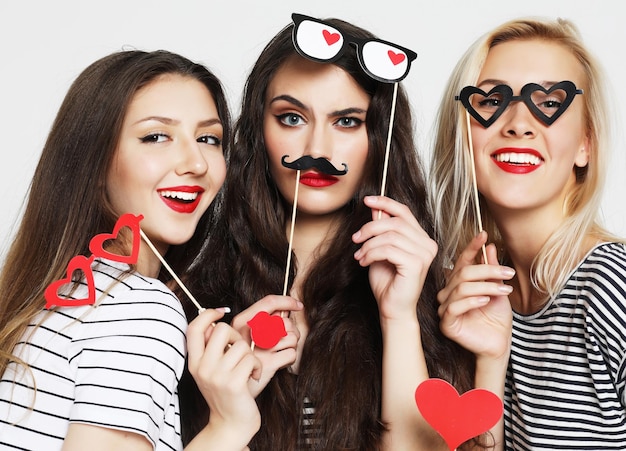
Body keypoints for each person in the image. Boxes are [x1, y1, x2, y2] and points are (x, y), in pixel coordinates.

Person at [180, 13, 483, 451]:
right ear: (257, 130)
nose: (316, 150)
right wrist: (228, 416)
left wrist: (397, 317)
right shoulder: (191, 302)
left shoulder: (440, 300)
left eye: (347, 122)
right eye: (291, 118)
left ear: (379, 137)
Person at [0, 49, 262, 450]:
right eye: (156, 136)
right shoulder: (140, 307)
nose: (196, 163)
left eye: (208, 138)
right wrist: (228, 426)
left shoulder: (62, 299)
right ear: (95, 159)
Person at [430, 17, 626, 450]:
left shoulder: (612, 285)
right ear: (463, 134)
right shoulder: (467, 294)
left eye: (550, 103)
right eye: (491, 100)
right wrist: (491, 360)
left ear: (585, 145)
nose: (518, 123)